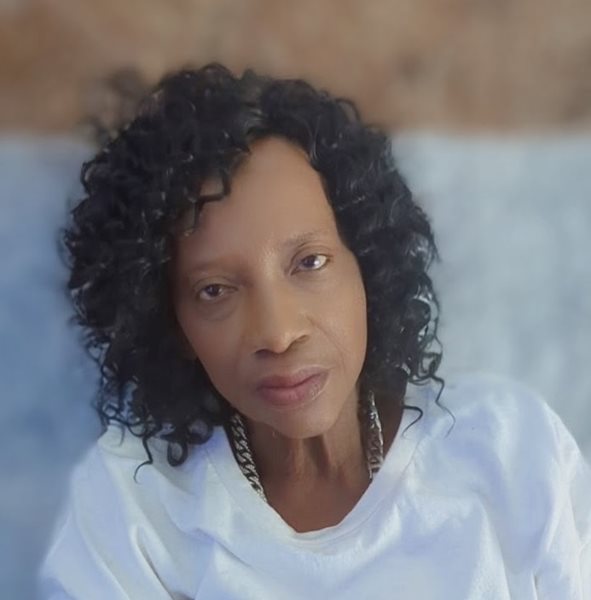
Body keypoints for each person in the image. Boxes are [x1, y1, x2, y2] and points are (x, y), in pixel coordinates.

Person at [39, 63, 590, 599]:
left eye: (310, 262)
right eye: (215, 290)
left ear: (367, 268)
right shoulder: (134, 512)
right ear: (172, 324)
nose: (278, 334)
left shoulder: (512, 452)